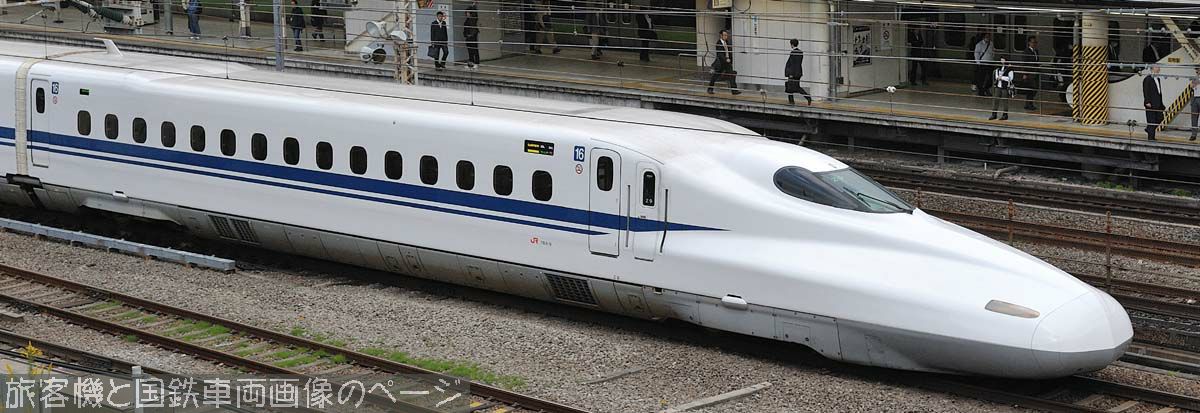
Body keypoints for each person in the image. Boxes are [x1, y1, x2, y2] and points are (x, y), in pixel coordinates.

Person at [707, 29, 739, 95]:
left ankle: (734, 91)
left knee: (731, 75)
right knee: (715, 76)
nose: (726, 36)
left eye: (726, 35)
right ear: (721, 35)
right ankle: (710, 89)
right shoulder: (718, 43)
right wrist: (726, 59)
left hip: (727, 63)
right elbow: (720, 54)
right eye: (724, 35)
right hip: (721, 63)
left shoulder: (727, 42)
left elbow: (729, 52)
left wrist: (730, 59)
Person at [784, 38, 811, 105]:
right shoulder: (800, 52)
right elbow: (798, 64)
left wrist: (790, 73)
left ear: (792, 44)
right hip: (798, 72)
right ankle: (807, 97)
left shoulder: (793, 53)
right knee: (796, 87)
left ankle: (792, 102)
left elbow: (792, 64)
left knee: (790, 87)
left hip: (793, 73)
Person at [988, 56, 1015, 121]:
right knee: (996, 100)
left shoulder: (1010, 68)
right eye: (1001, 60)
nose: (1002, 61)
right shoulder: (998, 67)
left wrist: (1002, 78)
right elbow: (996, 75)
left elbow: (1010, 78)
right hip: (998, 86)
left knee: (1005, 101)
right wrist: (998, 77)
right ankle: (994, 114)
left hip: (1005, 87)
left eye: (1003, 60)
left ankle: (1005, 115)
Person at [1143, 65, 1165, 141]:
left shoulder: (1158, 79)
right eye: (1157, 67)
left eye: (1159, 67)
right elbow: (1145, 91)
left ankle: (1149, 129)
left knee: (1160, 118)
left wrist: (1161, 103)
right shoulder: (1147, 79)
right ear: (1152, 69)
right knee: (1151, 120)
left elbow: (1159, 92)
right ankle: (1151, 137)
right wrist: (1147, 101)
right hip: (1150, 103)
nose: (1159, 69)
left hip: (1158, 103)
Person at [1019, 36, 1041, 111]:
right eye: (1033, 42)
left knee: (1034, 88)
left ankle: (1028, 103)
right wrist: (1025, 73)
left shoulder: (1036, 51)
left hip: (1035, 72)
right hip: (1029, 73)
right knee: (1031, 89)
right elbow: (1024, 63)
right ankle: (1029, 104)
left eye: (1035, 42)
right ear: (1029, 43)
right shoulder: (1026, 52)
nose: (1034, 44)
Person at [463, 4, 480, 70]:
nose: (467, 14)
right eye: (466, 13)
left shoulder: (473, 19)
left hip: (473, 36)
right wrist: (465, 35)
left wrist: (473, 5)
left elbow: (475, 14)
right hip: (468, 37)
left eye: (468, 12)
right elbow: (465, 29)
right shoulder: (467, 20)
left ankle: (476, 63)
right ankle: (470, 64)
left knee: (474, 50)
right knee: (470, 51)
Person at [1190, 67, 1200, 141]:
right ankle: (1193, 134)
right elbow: (1191, 86)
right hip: (1195, 98)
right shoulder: (1194, 78)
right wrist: (1194, 83)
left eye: (1198, 69)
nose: (1196, 71)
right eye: (1196, 70)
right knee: (1194, 117)